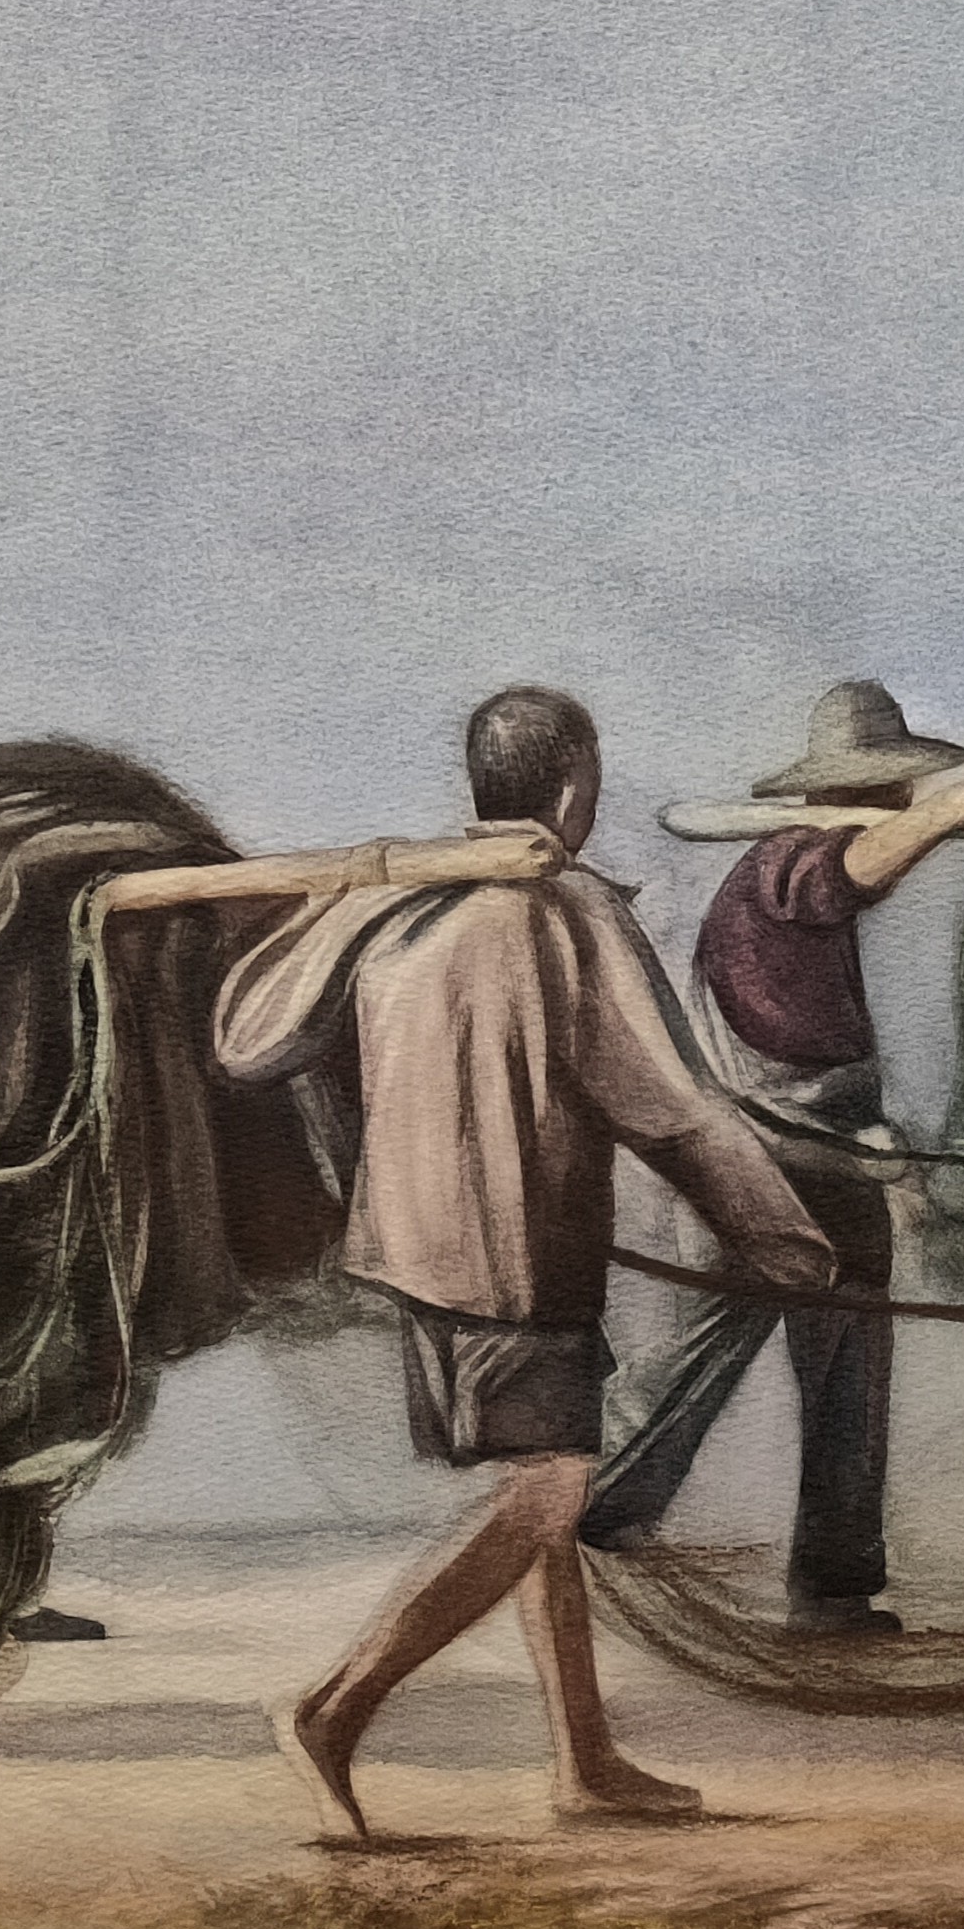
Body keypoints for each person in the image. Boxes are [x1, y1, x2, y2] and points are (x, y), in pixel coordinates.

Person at [216, 685, 836, 1838]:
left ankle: (584, 1761)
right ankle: (335, 1710)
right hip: (513, 1253)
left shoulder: (400, 901)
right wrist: (780, 1232)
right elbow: (671, 1105)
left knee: (539, 1488)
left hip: (414, 1247)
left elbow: (247, 1037)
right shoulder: (567, 906)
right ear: (573, 785)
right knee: (547, 1496)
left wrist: (352, 888)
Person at [581, 679, 964, 1636]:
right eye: (892, 789)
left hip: (835, 1152)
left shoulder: (813, 874)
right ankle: (592, 1510)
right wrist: (956, 810)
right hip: (757, 1157)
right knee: (701, 1350)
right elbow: (851, 872)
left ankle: (835, 1585)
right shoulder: (784, 864)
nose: (900, 800)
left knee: (850, 1364)